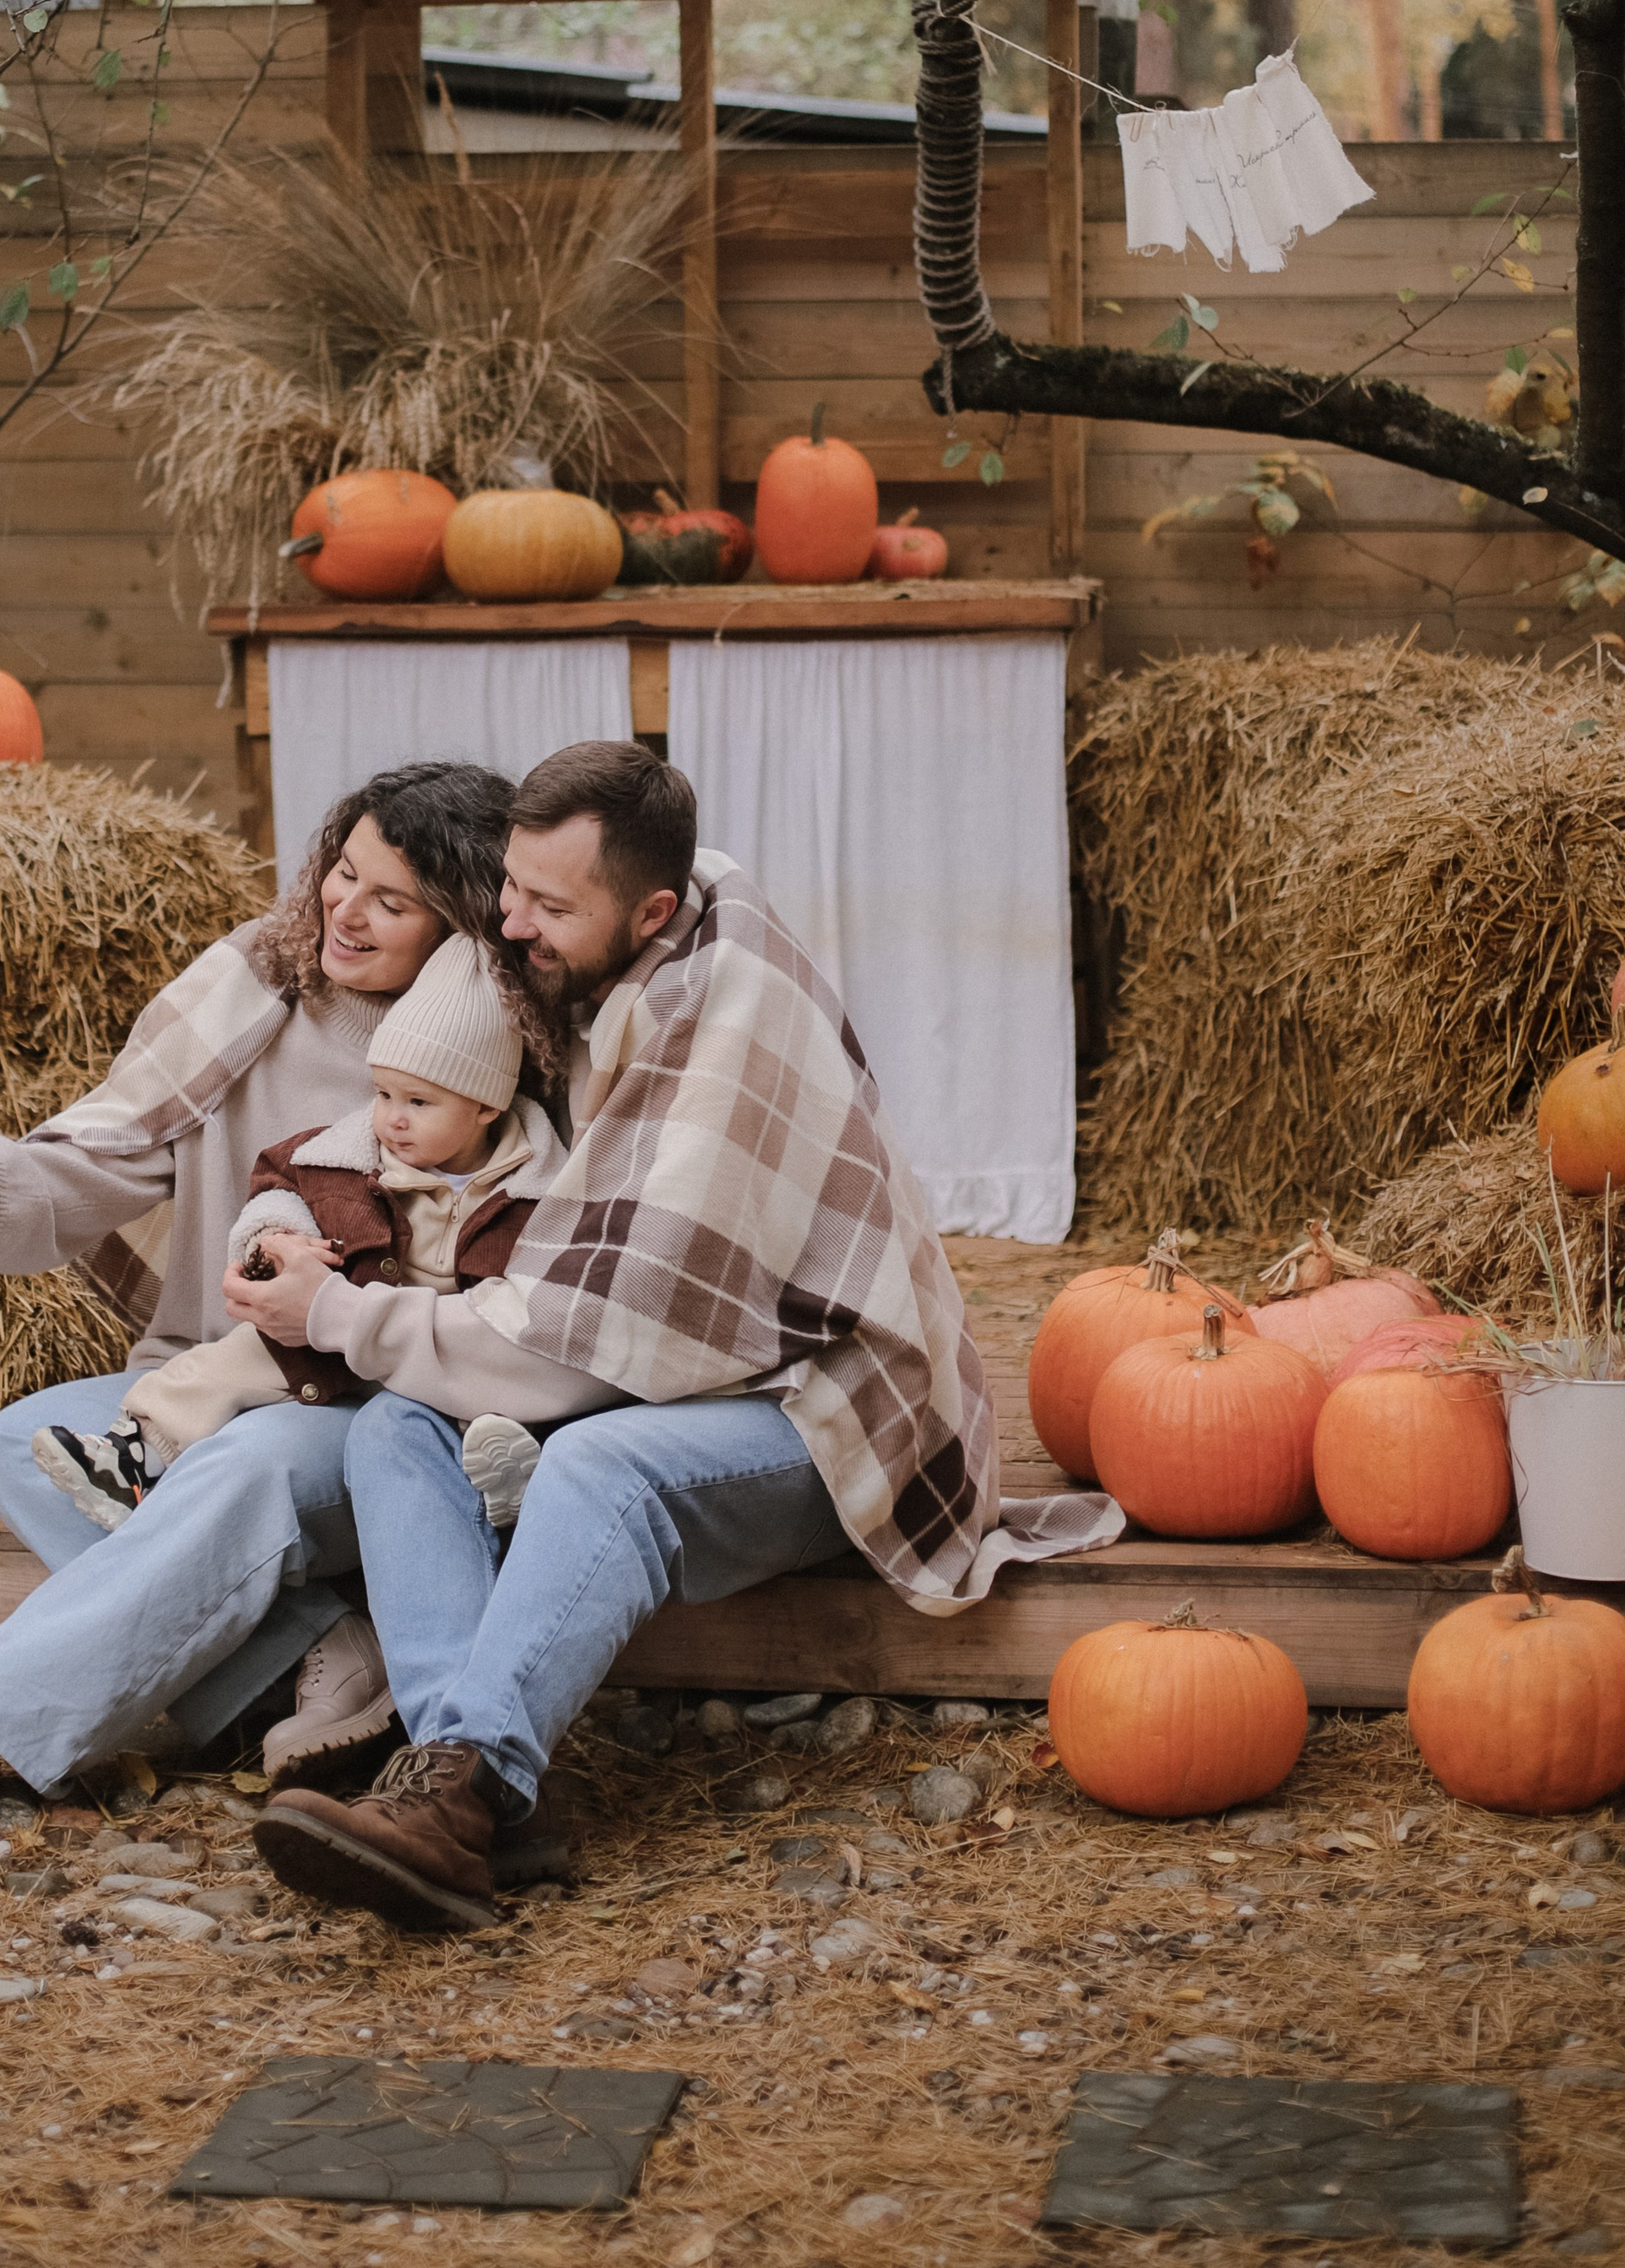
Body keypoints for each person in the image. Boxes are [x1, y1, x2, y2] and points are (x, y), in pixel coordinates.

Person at [241, 740, 1119, 1935]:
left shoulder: (720, 1008)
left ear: (649, 908)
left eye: (550, 907)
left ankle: (458, 1789)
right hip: (696, 1381)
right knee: (396, 1426)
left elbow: (579, 1351)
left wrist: (340, 1315)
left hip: (827, 1403)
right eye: (511, 889)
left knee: (601, 1472)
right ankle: (466, 1789)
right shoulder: (613, 953)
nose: (511, 925)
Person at [0, 761, 555, 1855]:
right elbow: (111, 1150)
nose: (341, 912)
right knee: (23, 1440)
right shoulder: (254, 986)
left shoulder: (497, 1046)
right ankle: (325, 1649)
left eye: (389, 902)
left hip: (384, 1406)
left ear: (457, 928)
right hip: (226, 1369)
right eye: (341, 874)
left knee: (241, 1466)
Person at [24, 934, 563, 1538]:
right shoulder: (347, 1153)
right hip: (337, 1337)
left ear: (487, 1108)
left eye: (419, 1101)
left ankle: (508, 1472)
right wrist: (281, 1235)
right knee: (229, 1360)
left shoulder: (541, 1187)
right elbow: (280, 1185)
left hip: (442, 1355)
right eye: (383, 1094)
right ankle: (134, 1457)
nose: (394, 1118)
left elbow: (539, 1305)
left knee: (495, 1397)